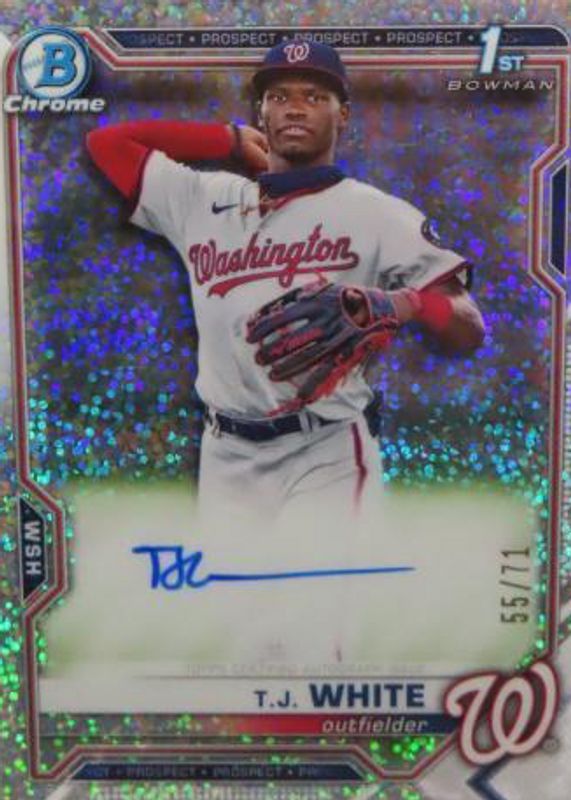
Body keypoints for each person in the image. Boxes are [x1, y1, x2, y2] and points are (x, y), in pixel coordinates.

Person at [86, 41, 485, 526]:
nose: (294, 107)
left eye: (314, 96)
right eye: (279, 96)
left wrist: (402, 303)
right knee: (235, 580)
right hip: (224, 455)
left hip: (325, 451)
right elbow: (107, 144)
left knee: (318, 576)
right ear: (262, 111)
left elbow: (469, 327)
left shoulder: (378, 212)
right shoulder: (202, 198)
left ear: (343, 115)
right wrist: (226, 140)